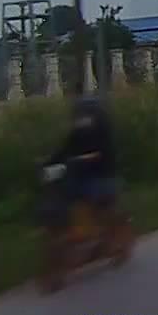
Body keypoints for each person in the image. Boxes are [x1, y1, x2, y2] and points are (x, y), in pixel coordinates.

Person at [40, 96, 118, 231]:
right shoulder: (77, 133)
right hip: (82, 175)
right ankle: (63, 225)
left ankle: (85, 226)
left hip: (100, 177)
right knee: (58, 188)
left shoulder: (102, 133)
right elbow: (64, 150)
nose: (81, 119)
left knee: (76, 191)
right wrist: (47, 162)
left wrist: (80, 160)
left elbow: (102, 155)